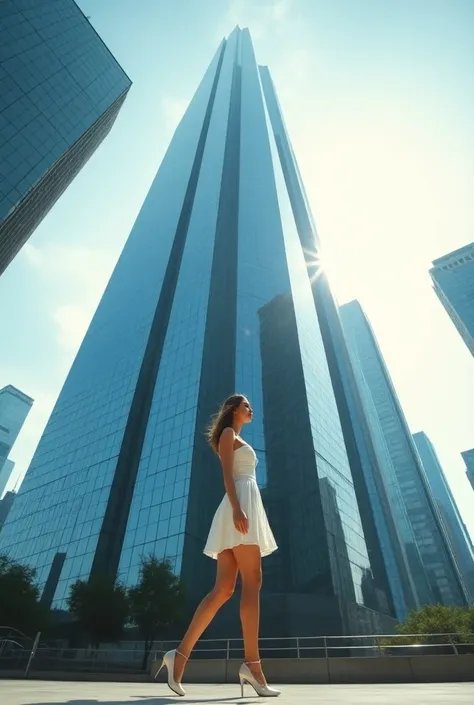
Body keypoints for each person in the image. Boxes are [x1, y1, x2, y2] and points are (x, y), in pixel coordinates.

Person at [156, 394, 280, 697]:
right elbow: (227, 474)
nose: (251, 409)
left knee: (224, 589)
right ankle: (253, 665)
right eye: (246, 405)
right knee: (253, 581)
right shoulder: (228, 434)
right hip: (238, 504)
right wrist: (238, 508)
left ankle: (179, 656)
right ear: (233, 409)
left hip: (240, 504)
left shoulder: (235, 437)